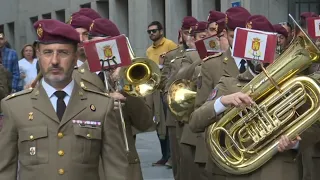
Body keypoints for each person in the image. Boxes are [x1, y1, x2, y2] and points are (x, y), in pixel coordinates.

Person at [0, 19, 128, 180]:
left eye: (63, 52)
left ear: (75, 57)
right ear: (38, 55)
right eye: (47, 52)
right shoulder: (15, 107)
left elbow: (116, 169)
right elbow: (4, 169)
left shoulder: (102, 106)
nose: (54, 61)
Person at [190, 14, 300, 180]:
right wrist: (222, 102)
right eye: (252, 43)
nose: (257, 51)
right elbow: (195, 121)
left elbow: (313, 125)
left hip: (279, 170)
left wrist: (296, 142)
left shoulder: (294, 80)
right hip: (237, 171)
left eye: (262, 42)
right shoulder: (228, 83)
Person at [73, 17, 154, 180]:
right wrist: (104, 102)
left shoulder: (129, 76)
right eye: (97, 46)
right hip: (90, 165)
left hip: (126, 165)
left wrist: (125, 84)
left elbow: (145, 123)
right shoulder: (74, 78)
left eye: (108, 46)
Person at [146, 20, 178, 167]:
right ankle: (164, 155)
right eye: (149, 32)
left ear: (161, 31)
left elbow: (175, 65)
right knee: (158, 123)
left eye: (154, 31)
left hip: (166, 88)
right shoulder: (149, 50)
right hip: (153, 89)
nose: (151, 34)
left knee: (168, 122)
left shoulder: (170, 45)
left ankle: (171, 156)